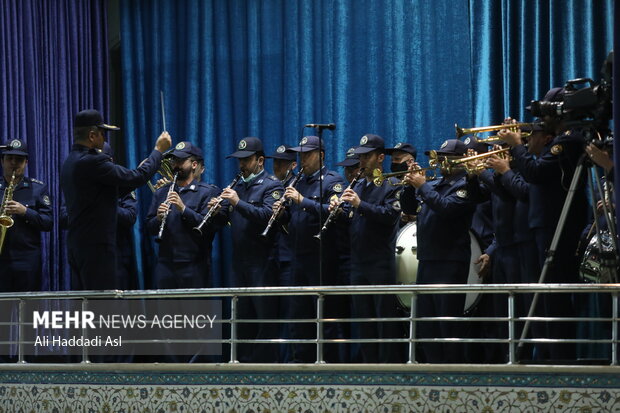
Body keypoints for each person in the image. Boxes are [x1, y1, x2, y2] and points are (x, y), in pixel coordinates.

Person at [499, 90, 589, 361]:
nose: (543, 119)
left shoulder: (568, 142)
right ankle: (551, 354)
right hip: (545, 225)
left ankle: (562, 357)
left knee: (556, 295)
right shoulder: (561, 142)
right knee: (547, 297)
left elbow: (536, 174)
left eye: (546, 115)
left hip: (557, 225)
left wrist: (516, 145)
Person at [60, 109, 171, 290]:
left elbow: (105, 193)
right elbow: (135, 178)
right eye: (103, 134)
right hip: (97, 247)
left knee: (85, 305)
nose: (104, 139)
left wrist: (142, 171)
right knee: (101, 304)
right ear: (92, 135)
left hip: (78, 245)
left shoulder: (71, 161)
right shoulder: (93, 161)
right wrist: (158, 151)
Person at [401, 139, 477, 363]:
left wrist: (421, 186)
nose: (440, 161)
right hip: (427, 261)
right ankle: (431, 372)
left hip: (450, 263)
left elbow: (447, 209)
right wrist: (409, 185)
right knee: (426, 324)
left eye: (445, 157)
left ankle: (452, 375)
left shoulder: (465, 185)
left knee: (447, 324)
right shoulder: (434, 185)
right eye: (439, 157)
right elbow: (407, 208)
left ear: (460, 161)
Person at [275, 135, 346, 363]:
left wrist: (302, 201)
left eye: (307, 154)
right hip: (297, 255)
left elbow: (335, 212)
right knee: (298, 316)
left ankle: (327, 366)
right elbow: (290, 218)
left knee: (324, 316)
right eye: (301, 154)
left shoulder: (332, 181)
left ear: (321, 155)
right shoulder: (296, 181)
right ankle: (300, 365)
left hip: (322, 256)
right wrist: (281, 211)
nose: (302, 159)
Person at [334, 134, 402, 363]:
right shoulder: (359, 184)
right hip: (358, 264)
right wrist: (340, 210)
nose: (361, 161)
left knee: (384, 322)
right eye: (360, 156)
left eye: (366, 156)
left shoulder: (391, 183)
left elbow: (390, 216)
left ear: (380, 157)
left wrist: (359, 204)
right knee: (363, 322)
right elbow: (352, 220)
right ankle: (368, 372)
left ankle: (388, 372)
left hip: (379, 264)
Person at [219, 136, 283, 363]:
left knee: (265, 320)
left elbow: (267, 216)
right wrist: (218, 208)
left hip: (262, 263)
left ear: (260, 161)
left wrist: (237, 202)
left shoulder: (272, 185)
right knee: (241, 319)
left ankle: (266, 369)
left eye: (246, 160)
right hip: (239, 263)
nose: (242, 165)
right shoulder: (238, 184)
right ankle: (243, 367)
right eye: (240, 161)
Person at [146, 141, 224, 289]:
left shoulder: (207, 192)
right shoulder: (162, 192)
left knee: (194, 311)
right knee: (166, 311)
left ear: (194, 164)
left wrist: (183, 209)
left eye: (181, 161)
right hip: (165, 265)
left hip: (195, 265)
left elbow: (208, 227)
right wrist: (158, 218)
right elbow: (149, 228)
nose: (175, 165)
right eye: (174, 160)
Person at [0, 139, 53, 292]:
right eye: (9, 158)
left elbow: (48, 223)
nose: (14, 163)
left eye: (19, 159)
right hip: (2, 259)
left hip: (27, 259)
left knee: (29, 308)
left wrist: (25, 211)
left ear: (26, 162)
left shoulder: (38, 188)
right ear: (2, 161)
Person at [265, 144, 298, 362]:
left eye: (283, 163)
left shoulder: (298, 185)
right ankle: (273, 359)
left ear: (293, 165)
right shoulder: (271, 186)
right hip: (270, 256)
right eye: (275, 162)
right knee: (270, 313)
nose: (277, 166)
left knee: (291, 313)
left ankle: (290, 360)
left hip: (290, 256)